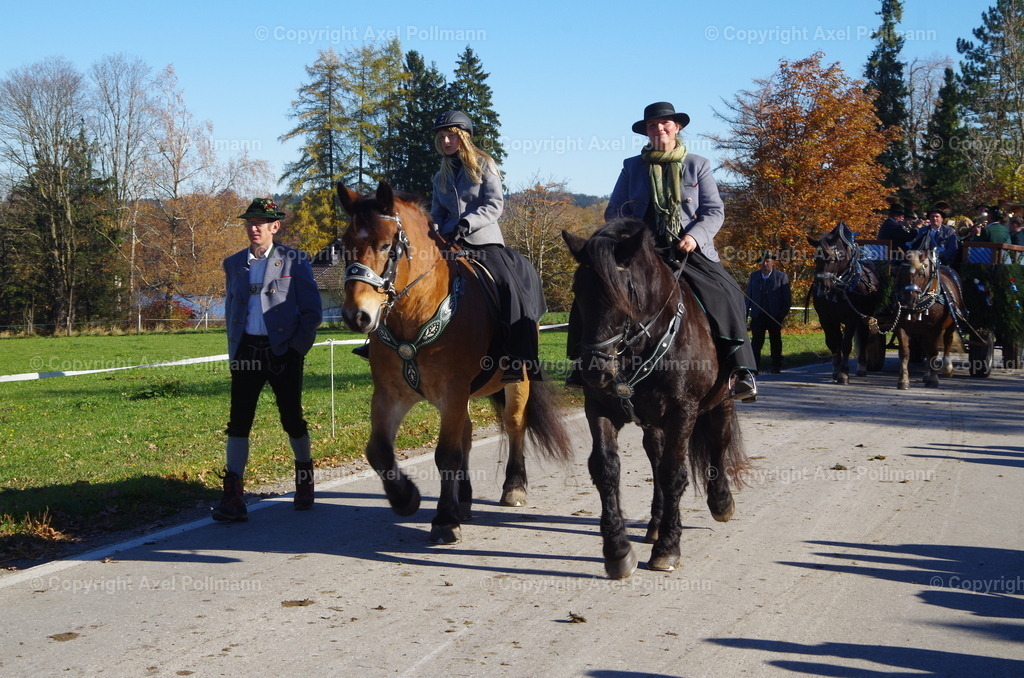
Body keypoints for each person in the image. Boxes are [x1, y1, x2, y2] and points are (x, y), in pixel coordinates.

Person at [598, 101, 758, 401]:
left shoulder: (698, 164)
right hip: (642, 251)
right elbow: (614, 211)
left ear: (677, 127)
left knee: (729, 292)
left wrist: (695, 236)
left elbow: (714, 211)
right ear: (646, 132)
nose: (659, 128)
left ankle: (740, 371)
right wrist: (632, 236)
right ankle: (584, 367)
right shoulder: (632, 167)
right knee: (595, 288)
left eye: (665, 123)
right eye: (652, 125)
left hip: (688, 249)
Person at [214, 198, 323, 522]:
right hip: (247, 352)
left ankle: (304, 479)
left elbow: (312, 312)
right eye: (250, 222)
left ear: (275, 226)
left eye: (260, 223)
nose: (254, 228)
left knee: (291, 418)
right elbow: (232, 310)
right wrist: (235, 352)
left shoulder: (295, 260)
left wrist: (295, 349)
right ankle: (233, 495)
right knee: (239, 421)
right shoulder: (234, 263)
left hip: (283, 352)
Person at [430, 110, 546, 382]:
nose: (446, 141)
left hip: (483, 241)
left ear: (464, 137)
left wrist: (467, 223)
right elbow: (437, 213)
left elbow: (494, 205)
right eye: (442, 136)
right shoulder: (439, 176)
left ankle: (518, 358)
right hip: (448, 242)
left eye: (451, 136)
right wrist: (433, 232)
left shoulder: (485, 165)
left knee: (508, 285)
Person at [745, 252, 791, 375]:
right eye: (763, 262)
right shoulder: (754, 276)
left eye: (768, 261)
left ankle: (776, 365)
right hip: (758, 315)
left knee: (775, 341)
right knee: (756, 342)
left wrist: (781, 315)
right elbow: (748, 296)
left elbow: (787, 299)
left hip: (774, 316)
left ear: (772, 262)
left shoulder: (781, 277)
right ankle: (754, 367)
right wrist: (744, 314)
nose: (765, 264)